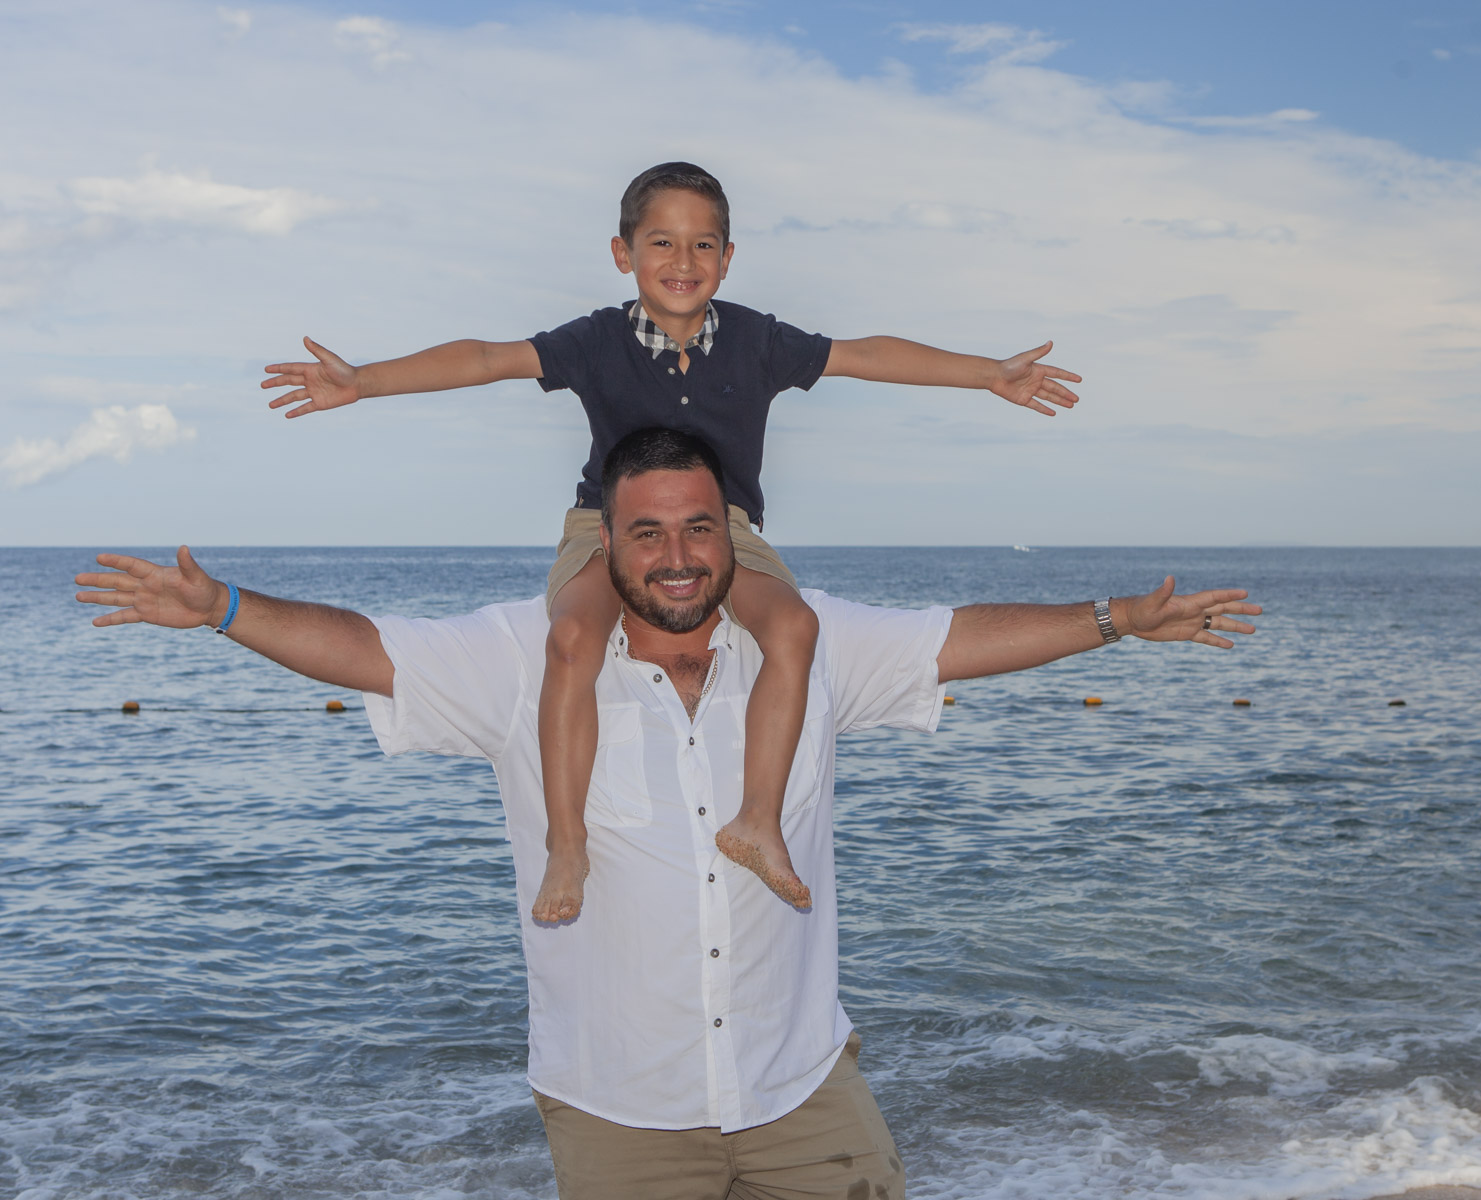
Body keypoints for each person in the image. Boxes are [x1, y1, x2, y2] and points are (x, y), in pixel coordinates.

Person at [74, 427, 1260, 1200]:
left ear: (732, 535)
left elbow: (960, 639)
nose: (678, 556)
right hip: (620, 1115)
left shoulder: (809, 648)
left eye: (700, 528)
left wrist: (1117, 620)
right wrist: (223, 607)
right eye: (648, 533)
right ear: (608, 547)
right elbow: (368, 650)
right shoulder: (524, 658)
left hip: (801, 1092)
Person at [258, 161, 1083, 923]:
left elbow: (864, 355)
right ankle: (567, 844)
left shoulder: (758, 339)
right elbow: (484, 358)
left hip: (725, 531)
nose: (683, 261)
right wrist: (363, 382)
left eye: (703, 244)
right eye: (661, 242)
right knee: (573, 639)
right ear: (624, 253)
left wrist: (988, 373)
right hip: (605, 528)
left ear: (727, 257)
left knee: (794, 627)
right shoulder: (594, 341)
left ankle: (757, 820)